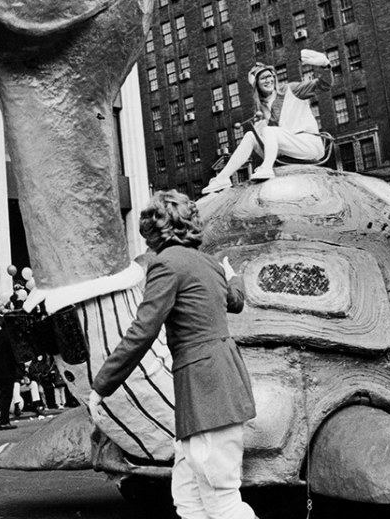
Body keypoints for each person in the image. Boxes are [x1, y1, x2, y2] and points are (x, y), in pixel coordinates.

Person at [89, 190, 257, 519]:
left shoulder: (166, 264)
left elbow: (143, 331)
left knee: (218, 498)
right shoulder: (208, 263)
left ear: (154, 230)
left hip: (202, 388)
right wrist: (232, 274)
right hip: (219, 383)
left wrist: (102, 385)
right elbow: (235, 300)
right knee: (189, 495)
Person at [203, 49, 334, 194]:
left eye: (270, 76)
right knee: (250, 136)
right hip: (287, 150)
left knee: (268, 131)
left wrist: (325, 65)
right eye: (263, 78)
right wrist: (262, 130)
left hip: (309, 145)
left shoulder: (292, 90)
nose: (269, 80)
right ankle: (223, 177)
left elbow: (325, 84)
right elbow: (272, 137)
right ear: (256, 85)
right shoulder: (261, 106)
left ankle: (267, 168)